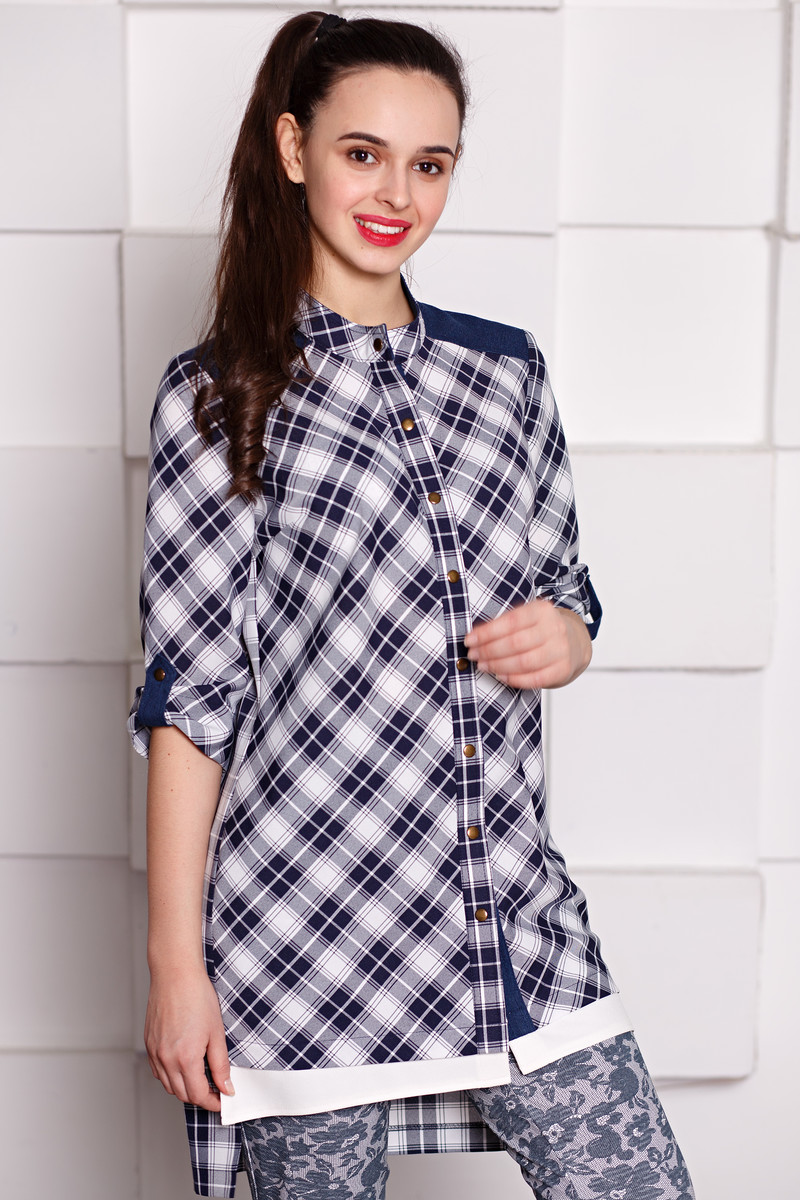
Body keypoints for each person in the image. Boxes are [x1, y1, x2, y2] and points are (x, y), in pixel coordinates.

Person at [129, 11, 695, 1200]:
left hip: (504, 915)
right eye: (363, 154)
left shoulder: (505, 373)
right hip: (301, 935)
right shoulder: (219, 395)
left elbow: (565, 589)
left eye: (429, 163)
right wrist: (176, 969)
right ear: (294, 149)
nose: (397, 194)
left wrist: (568, 638)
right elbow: (191, 702)